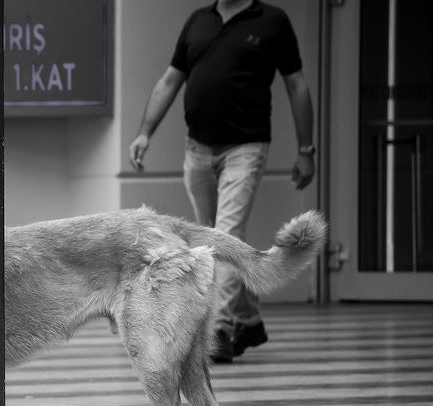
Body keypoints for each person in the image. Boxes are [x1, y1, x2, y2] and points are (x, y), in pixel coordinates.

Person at [129, 0, 315, 362]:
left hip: (245, 147)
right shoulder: (199, 20)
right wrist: (143, 134)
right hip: (197, 148)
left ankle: (221, 330)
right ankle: (248, 319)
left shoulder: (273, 21)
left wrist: (306, 148)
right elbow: (170, 80)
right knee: (215, 236)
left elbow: (297, 85)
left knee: (226, 235)